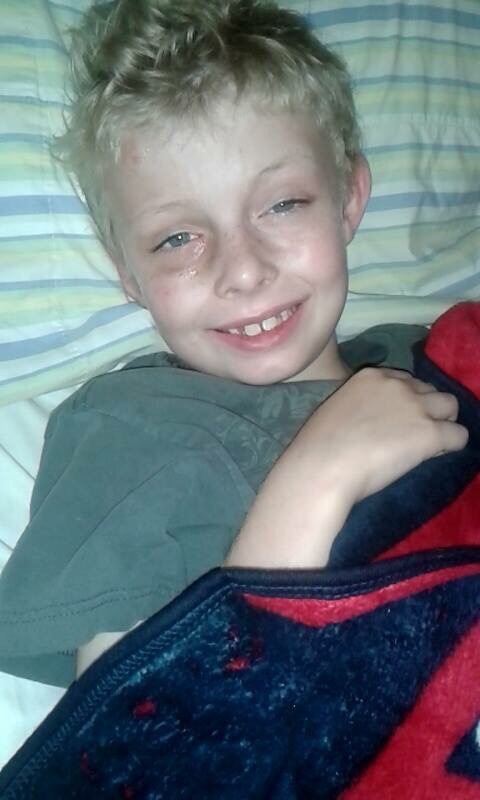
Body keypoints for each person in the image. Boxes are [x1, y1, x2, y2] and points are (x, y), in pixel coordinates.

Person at [0, 0, 468, 690]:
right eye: (177, 239)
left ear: (348, 199)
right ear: (128, 273)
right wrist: (314, 483)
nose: (243, 271)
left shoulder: (440, 358)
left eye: (282, 205)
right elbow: (135, 735)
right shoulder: (135, 433)